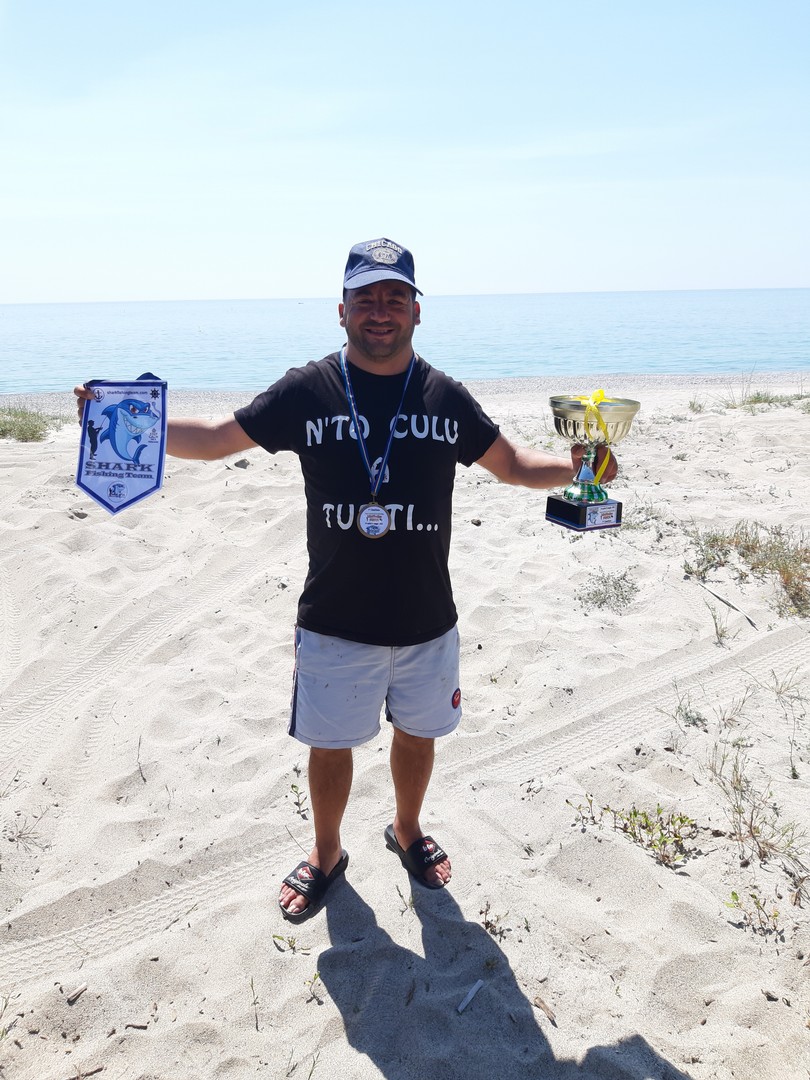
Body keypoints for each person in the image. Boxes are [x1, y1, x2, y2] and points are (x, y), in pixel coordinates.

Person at [74, 237, 617, 923]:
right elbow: (214, 439)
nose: (380, 311)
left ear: (416, 311)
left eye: (395, 297)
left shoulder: (445, 396)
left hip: (426, 617)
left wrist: (578, 467)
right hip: (334, 618)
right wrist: (123, 417)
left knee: (417, 735)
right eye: (366, 299)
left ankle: (407, 828)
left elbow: (511, 465)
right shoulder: (309, 390)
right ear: (342, 310)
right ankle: (327, 851)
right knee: (330, 746)